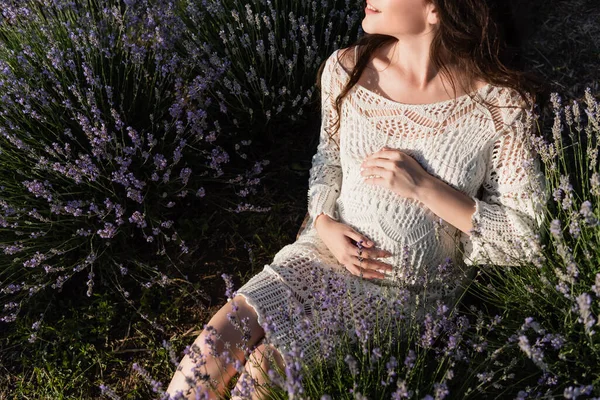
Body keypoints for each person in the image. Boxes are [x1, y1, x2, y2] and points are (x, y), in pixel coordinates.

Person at [166, 0, 548, 398]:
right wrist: (322, 223)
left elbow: (523, 236)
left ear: (436, 9)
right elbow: (328, 161)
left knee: (264, 374)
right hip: (319, 256)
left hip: (407, 292)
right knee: (214, 344)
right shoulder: (347, 69)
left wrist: (425, 188)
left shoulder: (500, 105)